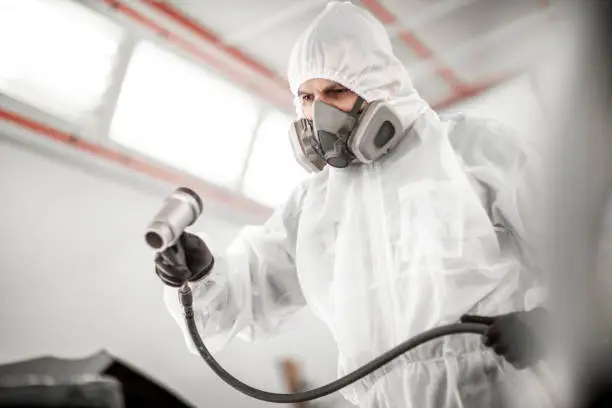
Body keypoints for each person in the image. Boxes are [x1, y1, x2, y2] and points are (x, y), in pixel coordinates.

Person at [155, 2, 554, 407]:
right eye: (307, 97)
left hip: (499, 390)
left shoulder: (471, 150)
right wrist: (203, 274)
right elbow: (245, 299)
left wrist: (550, 321)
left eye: (337, 92)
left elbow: (587, 247)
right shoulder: (312, 204)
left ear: (380, 90)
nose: (318, 113)